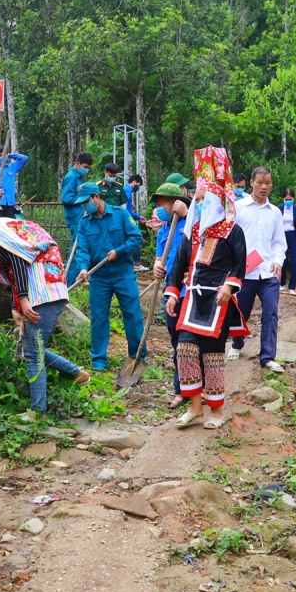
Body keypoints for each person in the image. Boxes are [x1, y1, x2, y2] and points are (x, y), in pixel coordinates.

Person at [0, 204, 90, 415]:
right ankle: (77, 374)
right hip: (40, 290)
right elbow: (12, 274)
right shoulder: (0, 233)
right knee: (30, 350)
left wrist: (24, 301)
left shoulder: (3, 230)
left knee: (33, 353)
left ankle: (38, 412)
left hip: (43, 290)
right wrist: (15, 306)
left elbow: (19, 262)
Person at [164, 146, 249, 430]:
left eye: (201, 199)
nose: (197, 204)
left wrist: (229, 286)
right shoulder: (193, 233)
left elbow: (240, 265)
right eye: (196, 199)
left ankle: (216, 410)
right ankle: (196, 407)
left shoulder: (232, 231)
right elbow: (178, 265)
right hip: (192, 299)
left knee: (212, 355)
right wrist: (173, 293)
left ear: (215, 201)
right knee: (186, 350)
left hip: (217, 301)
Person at [69, 182, 146, 371]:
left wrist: (118, 251)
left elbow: (136, 238)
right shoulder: (84, 223)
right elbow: (82, 250)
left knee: (132, 314)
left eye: (86, 201)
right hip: (100, 277)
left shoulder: (120, 214)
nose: (84, 206)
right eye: (82, 204)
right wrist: (82, 268)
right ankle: (99, 360)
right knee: (99, 318)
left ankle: (138, 355)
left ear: (96, 197)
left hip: (123, 273)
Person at [228, 166, 287, 373]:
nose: (264, 187)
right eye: (260, 182)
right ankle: (237, 343)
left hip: (268, 272)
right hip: (244, 272)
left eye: (268, 183)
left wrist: (278, 260)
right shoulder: (238, 208)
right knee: (240, 312)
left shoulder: (275, 213)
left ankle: (267, 357)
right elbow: (228, 239)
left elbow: (280, 242)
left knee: (270, 312)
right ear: (251, 182)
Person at [150, 182, 192, 407]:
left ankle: (196, 388)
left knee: (191, 341)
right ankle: (181, 389)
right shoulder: (164, 231)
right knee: (177, 340)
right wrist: (158, 266)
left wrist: (189, 214)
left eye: (161, 204)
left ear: (174, 203)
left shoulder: (193, 224)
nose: (158, 209)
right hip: (172, 291)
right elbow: (160, 259)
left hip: (192, 290)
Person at [0, 145, 30, 218]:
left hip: (10, 203)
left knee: (9, 226)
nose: (2, 157)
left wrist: (10, 155)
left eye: (4, 155)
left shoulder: (12, 167)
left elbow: (25, 158)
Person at [277, 188, 296, 296]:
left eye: (290, 199)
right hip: (281, 236)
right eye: (286, 199)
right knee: (281, 261)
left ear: (294, 198)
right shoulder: (278, 209)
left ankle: (292, 286)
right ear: (283, 199)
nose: (288, 201)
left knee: (294, 262)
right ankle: (281, 283)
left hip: (294, 236)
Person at [60, 152, 94, 237]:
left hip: (79, 216)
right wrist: (84, 198)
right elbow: (66, 199)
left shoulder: (78, 176)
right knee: (77, 245)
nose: (87, 170)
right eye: (85, 167)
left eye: (88, 168)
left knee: (80, 244)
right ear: (77, 163)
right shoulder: (72, 177)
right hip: (74, 218)